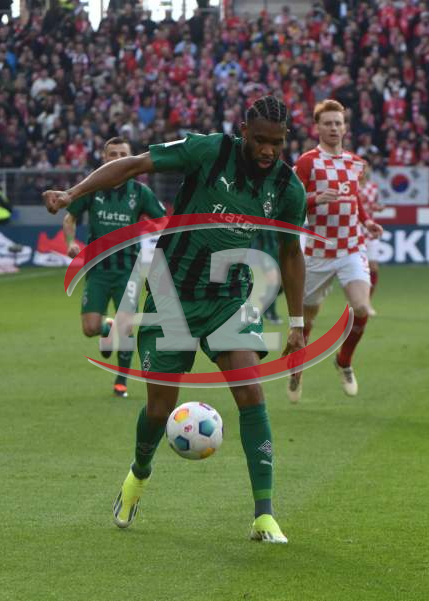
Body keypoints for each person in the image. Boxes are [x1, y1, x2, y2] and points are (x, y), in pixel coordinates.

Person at [43, 96, 307, 544]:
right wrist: (73, 194)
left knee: (251, 393)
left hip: (228, 297)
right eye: (261, 140)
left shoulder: (286, 187)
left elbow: (290, 252)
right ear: (244, 131)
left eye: (277, 143)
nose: (268, 150)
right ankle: (139, 473)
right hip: (171, 294)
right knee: (159, 408)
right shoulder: (208, 150)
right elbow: (133, 165)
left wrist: (297, 323)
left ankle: (264, 515)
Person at [288, 99, 383, 403]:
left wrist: (367, 222)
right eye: (327, 123)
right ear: (317, 127)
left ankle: (344, 361)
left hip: (351, 248)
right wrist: (314, 198)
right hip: (318, 252)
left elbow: (354, 199)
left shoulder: (356, 163)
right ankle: (296, 369)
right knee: (307, 319)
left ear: (345, 127)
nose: (333, 128)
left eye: (338, 123)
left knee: (362, 308)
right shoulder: (307, 162)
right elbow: (289, 201)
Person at [63, 137, 167, 399]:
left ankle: (121, 381)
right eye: (113, 154)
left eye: (123, 154)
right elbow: (70, 217)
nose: (118, 158)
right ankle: (106, 328)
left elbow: (163, 221)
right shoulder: (92, 188)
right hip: (97, 270)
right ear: (104, 158)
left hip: (128, 271)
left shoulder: (140, 193)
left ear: (131, 159)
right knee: (90, 328)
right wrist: (70, 242)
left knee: (127, 328)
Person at [358, 175, 384, 316]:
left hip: (370, 232)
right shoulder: (351, 184)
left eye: (366, 166)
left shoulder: (373, 187)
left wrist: (377, 208)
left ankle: (367, 301)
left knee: (373, 268)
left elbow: (373, 204)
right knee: (359, 270)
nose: (363, 168)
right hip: (355, 231)